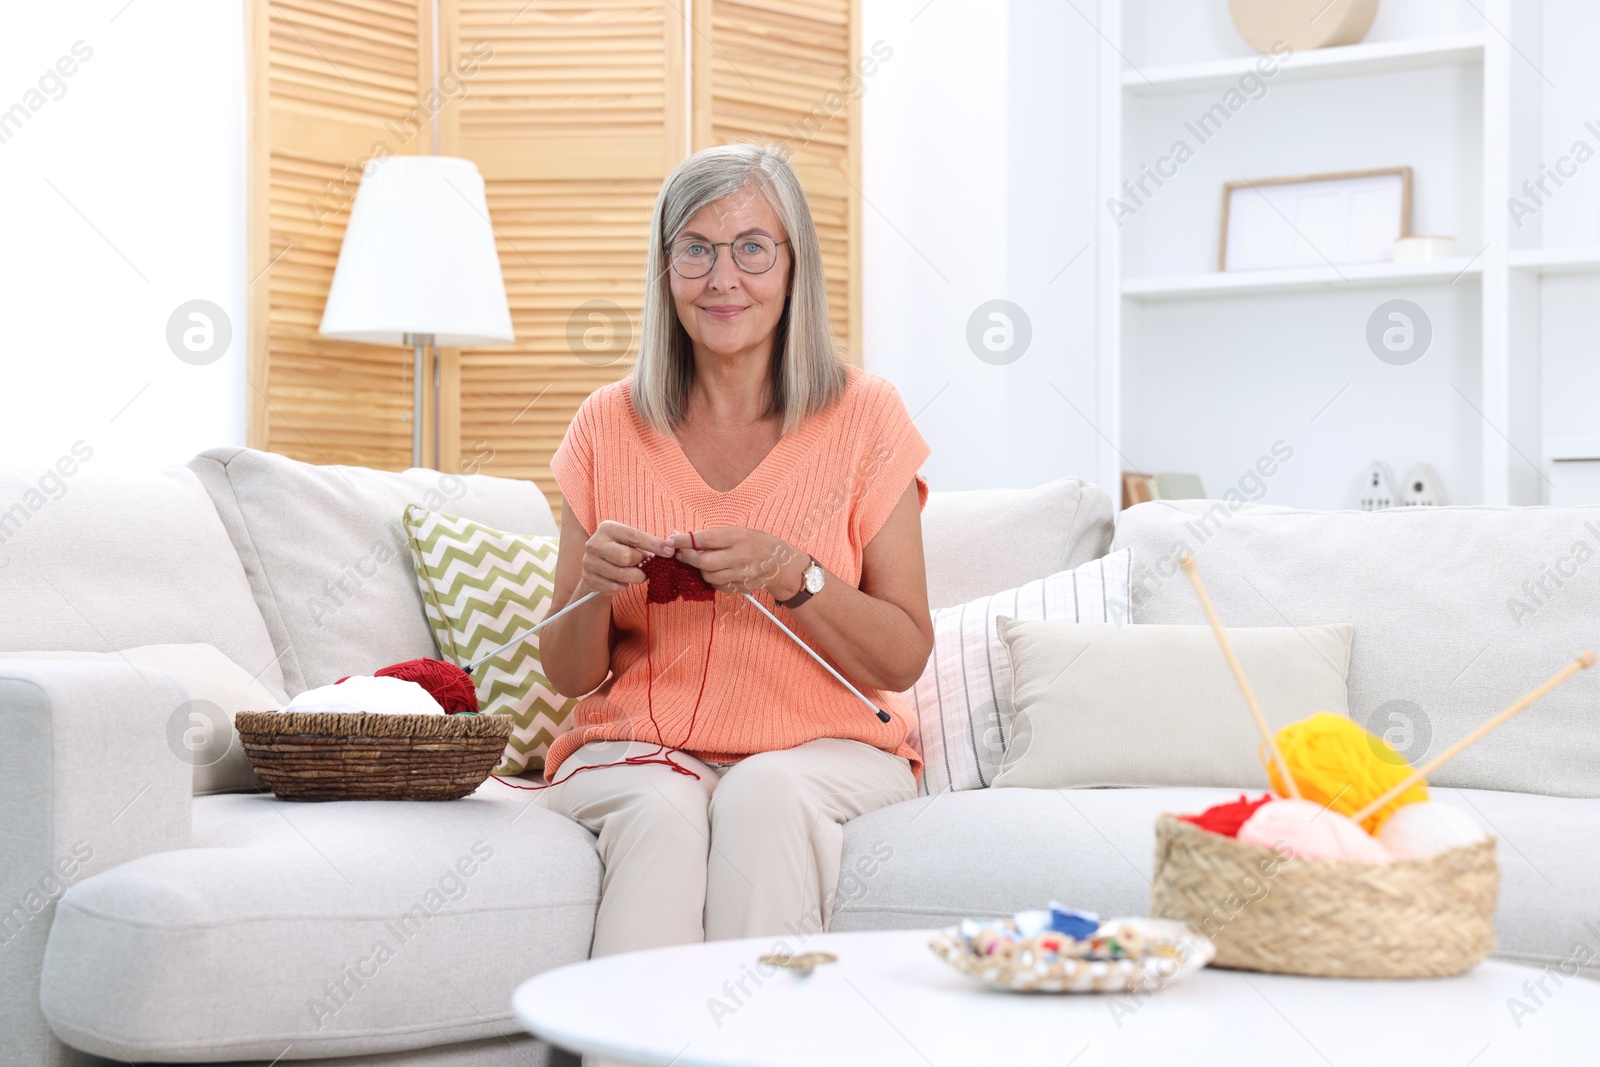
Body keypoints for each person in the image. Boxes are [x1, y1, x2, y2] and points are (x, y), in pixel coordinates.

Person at [537, 140, 934, 964]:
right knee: (661, 806)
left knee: (765, 790)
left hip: (829, 744)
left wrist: (796, 574)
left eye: (752, 248)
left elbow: (903, 654)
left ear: (795, 267)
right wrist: (590, 587)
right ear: (665, 268)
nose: (723, 279)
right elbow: (569, 674)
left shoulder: (867, 417)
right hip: (641, 743)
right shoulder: (608, 423)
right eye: (696, 250)